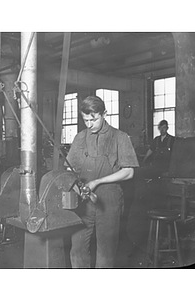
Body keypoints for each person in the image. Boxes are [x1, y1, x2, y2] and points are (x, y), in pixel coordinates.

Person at [66, 95, 139, 268]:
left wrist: (97, 182)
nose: (89, 124)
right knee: (77, 249)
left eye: (94, 119)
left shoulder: (119, 137)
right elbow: (70, 168)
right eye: (85, 120)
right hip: (83, 201)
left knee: (106, 252)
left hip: (109, 200)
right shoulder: (80, 137)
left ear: (104, 114)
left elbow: (129, 172)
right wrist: (74, 183)